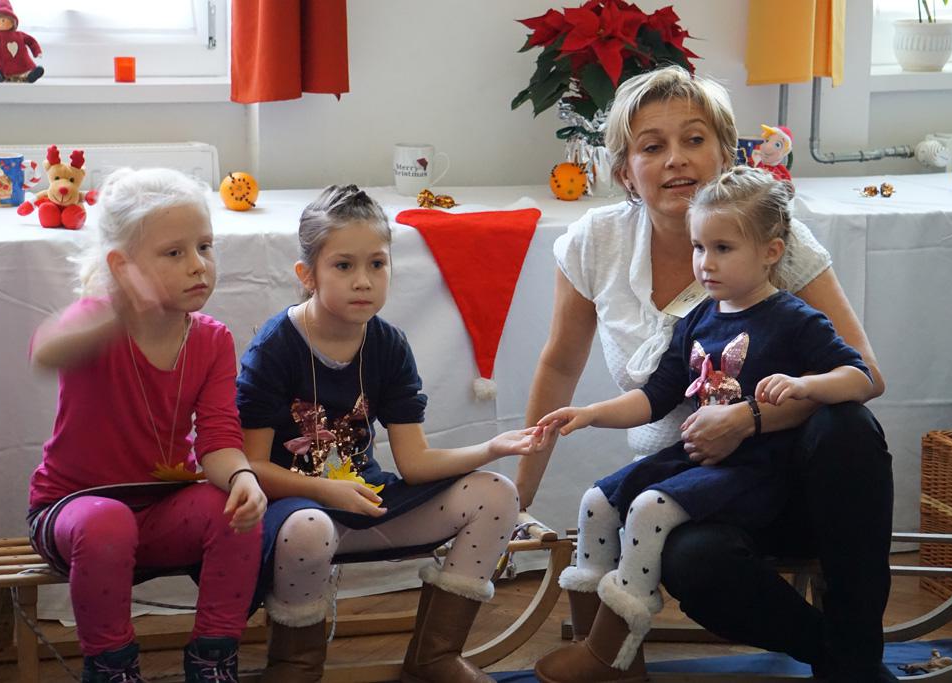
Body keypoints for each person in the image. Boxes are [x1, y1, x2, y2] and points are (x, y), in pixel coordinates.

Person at [515, 65, 894, 683]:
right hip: (688, 479)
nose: (676, 159)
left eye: (694, 139)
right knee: (691, 558)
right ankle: (845, 661)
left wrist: (750, 418)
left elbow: (865, 372)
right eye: (652, 146)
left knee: (848, 426)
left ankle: (856, 649)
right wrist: (521, 494)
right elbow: (565, 366)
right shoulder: (596, 242)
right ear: (624, 171)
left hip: (792, 471)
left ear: (725, 153)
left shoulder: (775, 236)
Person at [236, 185, 545, 683]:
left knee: (496, 494)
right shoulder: (275, 347)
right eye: (343, 265)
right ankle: (295, 664)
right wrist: (326, 491)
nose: (363, 281)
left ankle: (434, 657)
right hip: (296, 516)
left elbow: (415, 464)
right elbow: (252, 468)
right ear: (307, 274)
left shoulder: (389, 345)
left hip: (366, 505)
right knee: (309, 527)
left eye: (377, 264)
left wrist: (491, 448)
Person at [28, 168, 267, 683]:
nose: (198, 265)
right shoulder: (95, 320)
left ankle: (213, 659)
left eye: (205, 246)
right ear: (123, 265)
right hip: (73, 511)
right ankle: (111, 667)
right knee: (107, 521)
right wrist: (115, 312)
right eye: (174, 253)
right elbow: (45, 352)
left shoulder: (212, 340)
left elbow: (219, 439)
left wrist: (243, 477)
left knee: (232, 510)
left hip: (160, 509)